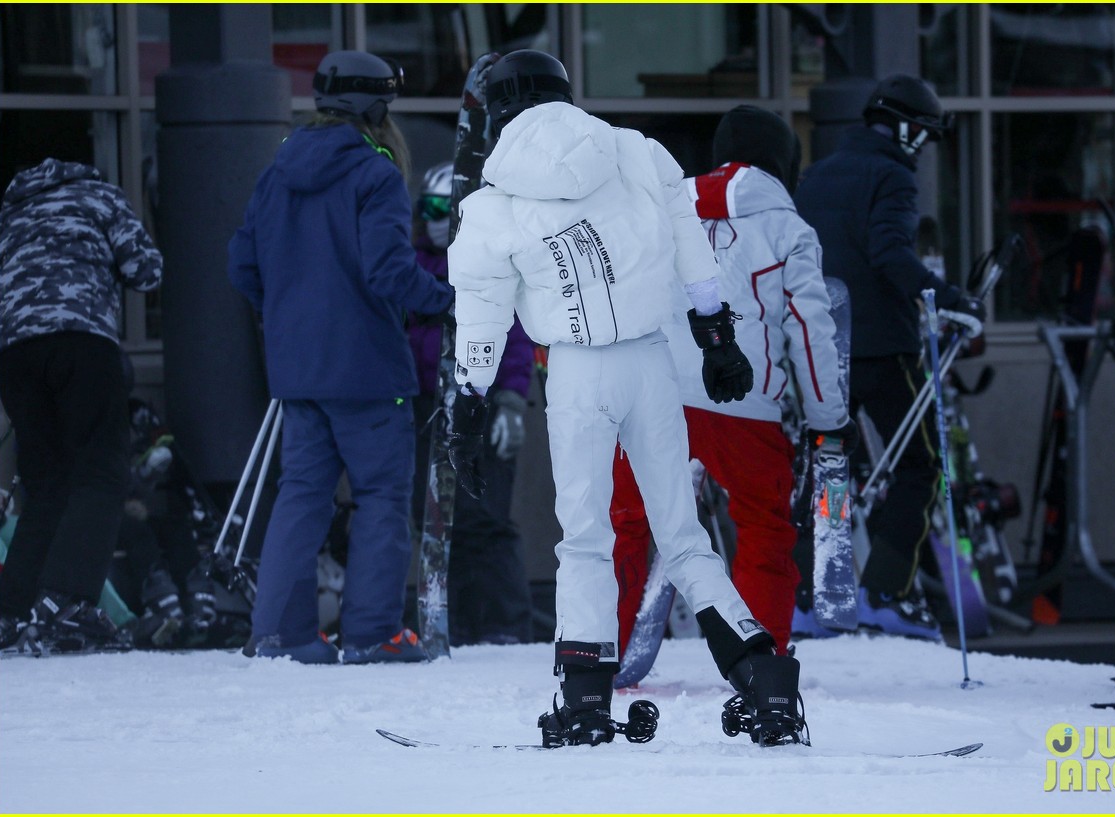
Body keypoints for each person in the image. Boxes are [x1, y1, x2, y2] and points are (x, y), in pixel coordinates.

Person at [447, 49, 806, 748]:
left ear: (495, 109)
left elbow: (483, 308)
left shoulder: (491, 202)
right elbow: (687, 242)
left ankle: (584, 695)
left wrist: (471, 394)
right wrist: (716, 333)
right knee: (683, 533)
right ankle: (762, 676)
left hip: (576, 371)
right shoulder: (636, 152)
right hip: (652, 360)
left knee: (584, 536)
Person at [227, 50, 452, 665]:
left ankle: (281, 634)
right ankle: (373, 634)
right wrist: (445, 300)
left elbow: (241, 266)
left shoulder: (277, 171)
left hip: (297, 370)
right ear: (374, 106)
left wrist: (291, 319)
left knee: (301, 494)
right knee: (381, 496)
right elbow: (388, 271)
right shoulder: (374, 172)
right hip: (369, 368)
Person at [610, 105, 854, 655]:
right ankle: (759, 658)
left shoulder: (663, 207)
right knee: (764, 530)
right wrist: (828, 424)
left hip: (653, 399)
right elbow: (813, 336)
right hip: (743, 407)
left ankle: (600, 650)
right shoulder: (789, 229)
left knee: (624, 525)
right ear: (785, 162)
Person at [793, 75, 985, 640]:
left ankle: (811, 598)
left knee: (829, 468)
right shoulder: (893, 177)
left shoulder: (815, 175)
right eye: (922, 134)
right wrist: (950, 302)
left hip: (823, 348)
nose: (923, 147)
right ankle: (886, 592)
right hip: (885, 347)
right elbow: (890, 252)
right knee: (922, 467)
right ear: (903, 129)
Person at [0, 157, 163, 656]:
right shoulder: (100, 198)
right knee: (101, 471)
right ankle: (69, 606)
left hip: (14, 352)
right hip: (82, 339)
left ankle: (13, 614)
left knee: (45, 485)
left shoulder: (8, 217)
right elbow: (146, 269)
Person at [409, 161, 536, 646]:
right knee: (436, 523)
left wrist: (509, 403)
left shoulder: (497, 261)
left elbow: (518, 335)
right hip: (424, 406)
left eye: (449, 208)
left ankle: (502, 625)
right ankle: (454, 623)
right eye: (430, 207)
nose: (438, 218)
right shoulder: (410, 264)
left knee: (486, 520)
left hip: (477, 406)